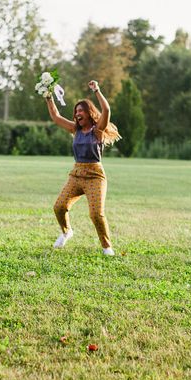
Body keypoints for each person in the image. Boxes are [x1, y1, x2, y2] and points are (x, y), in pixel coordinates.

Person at [45, 80, 121, 256]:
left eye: (81, 111)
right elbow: (56, 117)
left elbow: (107, 111)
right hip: (77, 174)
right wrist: (48, 96)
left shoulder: (98, 130)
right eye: (76, 111)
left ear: (88, 113)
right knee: (59, 206)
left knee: (96, 214)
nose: (77, 113)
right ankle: (66, 232)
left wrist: (97, 91)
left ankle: (106, 247)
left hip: (95, 176)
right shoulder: (75, 130)